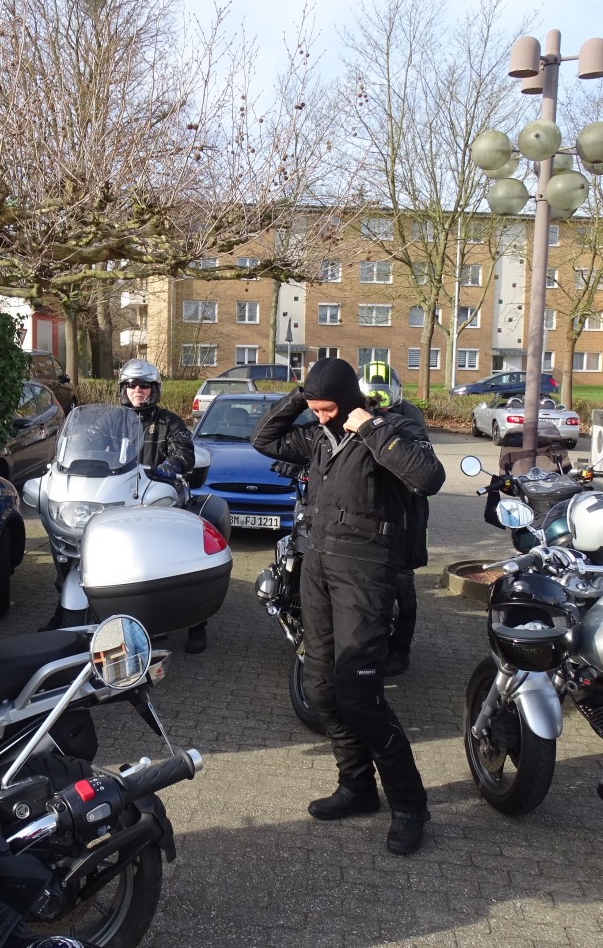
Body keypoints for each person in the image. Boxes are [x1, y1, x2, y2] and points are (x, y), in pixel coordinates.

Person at [251, 357, 444, 855]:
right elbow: (264, 439)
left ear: (349, 401)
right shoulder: (317, 436)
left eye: (327, 408)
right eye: (314, 409)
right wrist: (300, 396)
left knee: (359, 696)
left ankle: (409, 804)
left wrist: (371, 427)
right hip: (317, 566)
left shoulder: (390, 428)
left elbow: (428, 477)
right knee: (320, 689)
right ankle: (357, 786)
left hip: (366, 573)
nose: (320, 417)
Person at [116, 358, 209, 653]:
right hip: (122, 499)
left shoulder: (169, 422)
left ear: (154, 389)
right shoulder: (113, 421)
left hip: (161, 499)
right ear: (123, 388)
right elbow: (91, 445)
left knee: (188, 556)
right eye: (132, 385)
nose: (138, 390)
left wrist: (173, 464)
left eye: (144, 385)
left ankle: (197, 623)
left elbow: (185, 450)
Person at [355, 361, 427, 678]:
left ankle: (400, 650)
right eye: (372, 397)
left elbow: (419, 463)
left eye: (384, 397)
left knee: (403, 587)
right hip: (368, 515)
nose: (379, 404)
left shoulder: (410, 417)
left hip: (406, 514)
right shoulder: (352, 414)